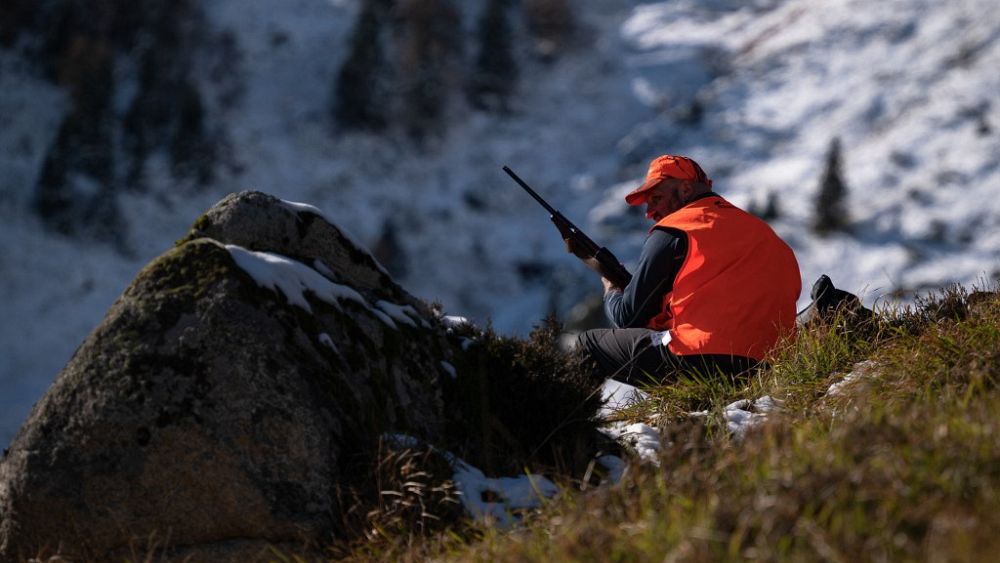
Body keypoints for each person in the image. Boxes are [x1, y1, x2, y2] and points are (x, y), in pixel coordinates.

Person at [576, 154, 801, 385]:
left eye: (656, 197)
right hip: (772, 370)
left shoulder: (674, 229)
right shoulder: (768, 235)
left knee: (588, 344)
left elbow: (628, 317)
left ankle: (571, 419)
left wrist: (612, 290)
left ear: (685, 190)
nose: (649, 212)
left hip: (701, 362)